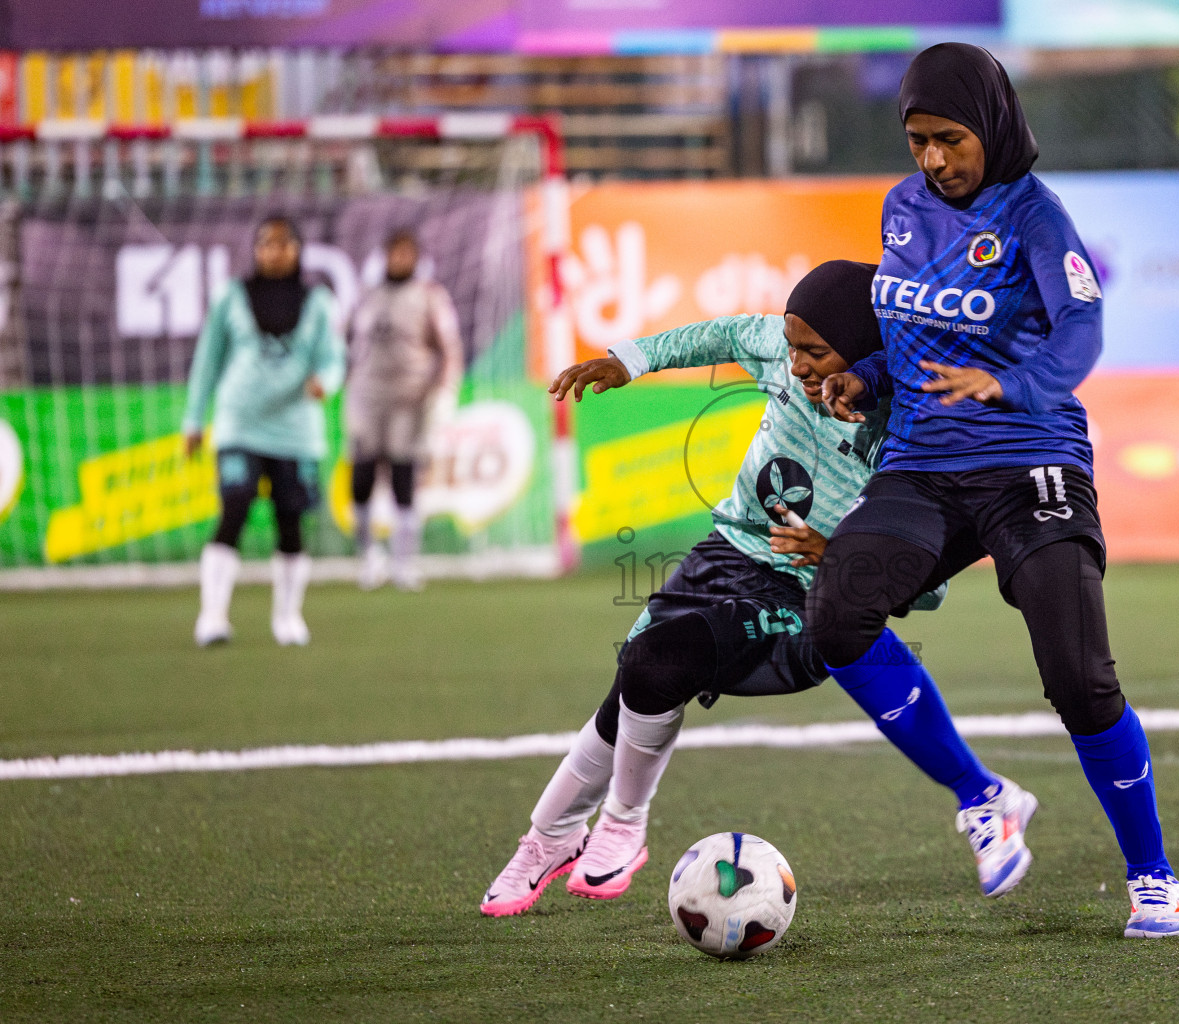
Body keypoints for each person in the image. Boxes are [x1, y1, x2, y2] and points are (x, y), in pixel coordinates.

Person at [480, 261, 1033, 918]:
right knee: (634, 682)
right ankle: (549, 839)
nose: (795, 361)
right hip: (727, 550)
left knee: (660, 662)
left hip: (807, 599)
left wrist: (836, 555)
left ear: (863, 351)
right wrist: (628, 361)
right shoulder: (783, 345)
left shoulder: (913, 420)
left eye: (814, 351)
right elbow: (714, 338)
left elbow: (924, 573)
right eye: (792, 345)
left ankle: (624, 828)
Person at [812, 43, 1179, 939]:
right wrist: (866, 375)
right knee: (837, 615)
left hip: (1033, 465)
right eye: (917, 141)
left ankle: (1154, 875)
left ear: (993, 126)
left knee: (1079, 678)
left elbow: (1083, 329)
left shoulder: (1036, 217)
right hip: (921, 466)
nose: (933, 160)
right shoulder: (900, 209)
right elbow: (908, 333)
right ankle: (982, 796)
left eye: (949, 138)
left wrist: (1009, 384)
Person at [184, 215, 345, 647]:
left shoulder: (319, 302)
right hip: (240, 424)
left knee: (290, 521)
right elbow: (207, 362)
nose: (275, 251)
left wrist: (324, 382)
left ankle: (288, 617)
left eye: (284, 243)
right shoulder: (230, 298)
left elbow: (334, 359)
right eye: (265, 243)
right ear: (255, 250)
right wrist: (194, 420)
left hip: (295, 431)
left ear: (298, 249)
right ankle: (213, 615)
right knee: (234, 506)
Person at [345, 229, 463, 591]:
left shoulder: (430, 296)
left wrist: (444, 393)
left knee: (402, 478)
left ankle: (404, 561)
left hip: (408, 399)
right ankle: (368, 557)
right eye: (393, 253)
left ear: (415, 257)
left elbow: (450, 347)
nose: (399, 260)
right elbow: (345, 339)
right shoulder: (365, 295)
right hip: (366, 398)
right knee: (361, 479)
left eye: (405, 253)